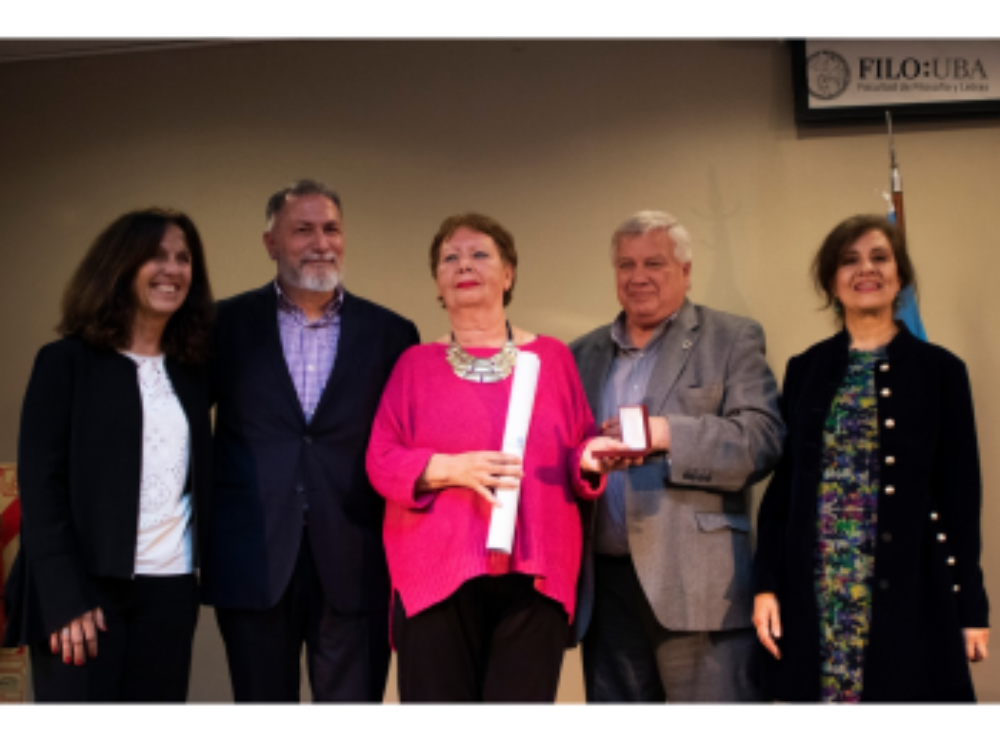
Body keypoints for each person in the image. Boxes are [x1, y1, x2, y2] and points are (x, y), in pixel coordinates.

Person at [366, 213, 628, 703]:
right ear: (439, 285)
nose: (464, 264)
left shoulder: (552, 359)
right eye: (450, 258)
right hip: (435, 578)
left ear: (508, 274)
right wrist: (448, 468)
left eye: (480, 254)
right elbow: (381, 458)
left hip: (535, 576)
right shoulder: (414, 365)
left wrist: (592, 460)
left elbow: (577, 452)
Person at [753, 214, 990, 702]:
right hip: (816, 587)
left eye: (880, 258)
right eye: (850, 261)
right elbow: (785, 490)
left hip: (907, 587)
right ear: (831, 281)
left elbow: (961, 496)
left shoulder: (941, 371)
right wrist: (766, 585)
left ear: (899, 275)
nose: (867, 270)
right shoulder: (805, 369)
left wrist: (971, 608)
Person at [205, 179, 419, 703]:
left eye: (331, 229)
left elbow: (405, 444)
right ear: (271, 242)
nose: (320, 242)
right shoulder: (220, 326)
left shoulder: (392, 334)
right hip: (253, 556)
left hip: (356, 558)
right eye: (303, 230)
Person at [570, 209, 784, 703]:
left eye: (655, 263)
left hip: (700, 586)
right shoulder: (580, 354)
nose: (638, 276)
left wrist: (666, 433)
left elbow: (762, 439)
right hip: (605, 590)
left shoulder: (731, 338)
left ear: (685, 271)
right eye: (626, 265)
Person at [1, 208, 215, 702]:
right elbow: (41, 487)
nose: (173, 269)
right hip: (82, 590)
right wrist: (62, 598)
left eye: (184, 259)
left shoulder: (192, 369)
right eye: (156, 256)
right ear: (120, 266)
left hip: (170, 588)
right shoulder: (64, 364)